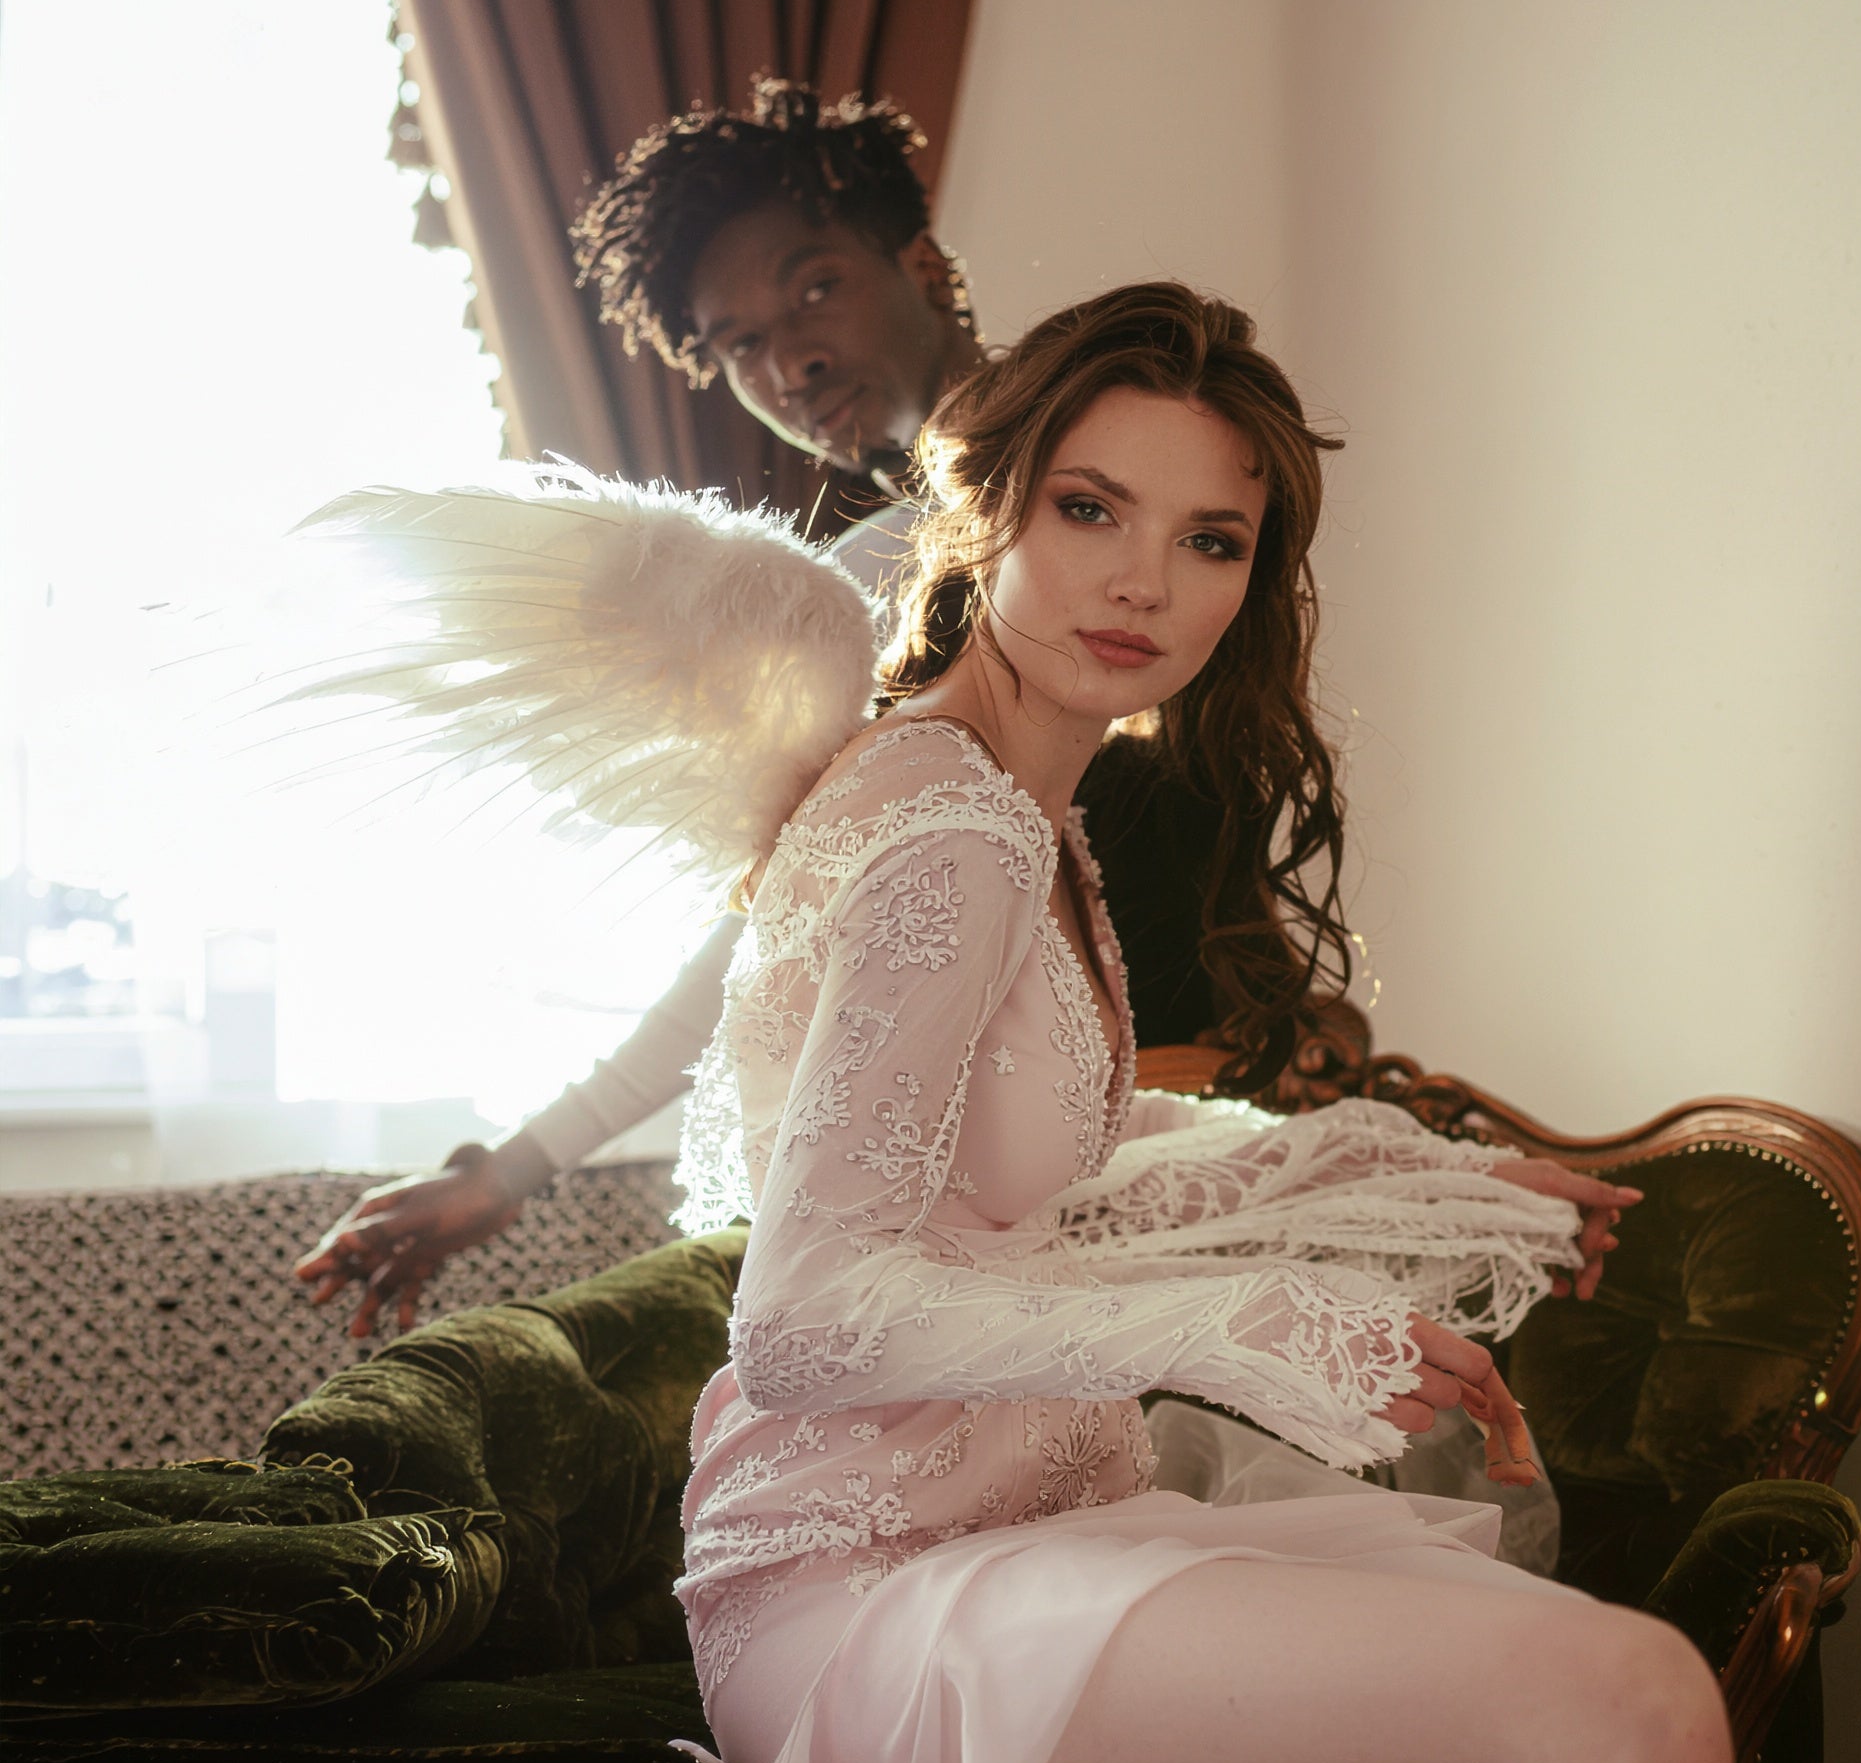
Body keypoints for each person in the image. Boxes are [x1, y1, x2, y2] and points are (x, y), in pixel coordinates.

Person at [654, 283, 1789, 1763]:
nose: (1141, 584)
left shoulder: (1028, 817)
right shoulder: (946, 823)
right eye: (1087, 509)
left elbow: (1038, 1165)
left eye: (1209, 539)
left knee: (1609, 1709)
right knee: (1624, 1695)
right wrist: (1233, 1322)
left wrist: (1381, 1173)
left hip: (1034, 1520)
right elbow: (800, 1319)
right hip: (859, 1583)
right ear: (988, 505)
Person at [294, 79, 1214, 1339]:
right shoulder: (910, 555)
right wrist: (514, 1164)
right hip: (1090, 1128)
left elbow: (775, 927)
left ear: (921, 263)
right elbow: (784, 924)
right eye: (736, 342)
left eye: (814, 288)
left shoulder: (965, 541)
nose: (789, 357)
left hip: (1144, 1105)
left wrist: (517, 1165)